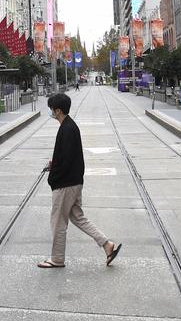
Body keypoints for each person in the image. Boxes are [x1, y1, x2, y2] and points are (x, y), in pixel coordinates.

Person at [38, 92, 122, 269]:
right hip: (74, 182)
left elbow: (67, 159)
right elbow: (67, 156)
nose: (50, 112)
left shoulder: (67, 129)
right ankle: (107, 245)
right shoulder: (69, 126)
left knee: (58, 222)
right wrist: (54, 162)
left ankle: (57, 259)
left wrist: (53, 177)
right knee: (78, 217)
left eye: (51, 109)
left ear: (58, 110)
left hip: (65, 184)